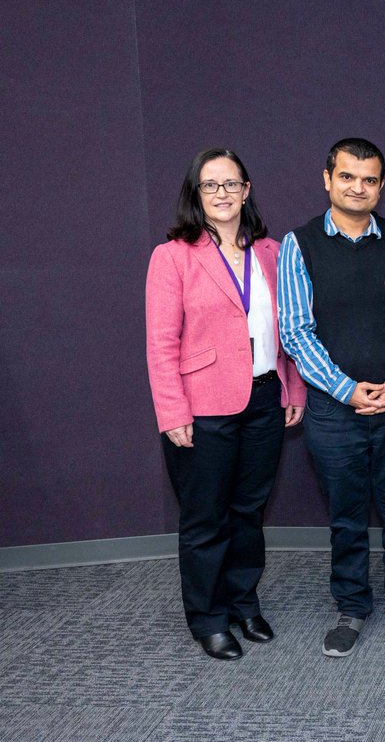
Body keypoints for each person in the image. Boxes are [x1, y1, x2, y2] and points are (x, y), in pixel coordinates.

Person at [278, 138, 385, 658]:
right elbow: (296, 331)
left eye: (369, 180)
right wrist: (348, 390)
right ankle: (351, 608)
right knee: (346, 518)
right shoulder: (298, 244)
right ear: (327, 178)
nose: (358, 187)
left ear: (381, 187)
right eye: (347, 177)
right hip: (332, 410)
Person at [146, 147, 306, 660]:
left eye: (231, 184)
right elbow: (161, 343)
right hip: (203, 407)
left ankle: (243, 603)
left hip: (263, 398)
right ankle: (208, 618)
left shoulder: (272, 252)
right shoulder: (172, 256)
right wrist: (173, 413)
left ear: (247, 190)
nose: (222, 194)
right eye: (210, 185)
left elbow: (290, 329)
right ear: (196, 193)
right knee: (205, 519)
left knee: (248, 512)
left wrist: (292, 386)